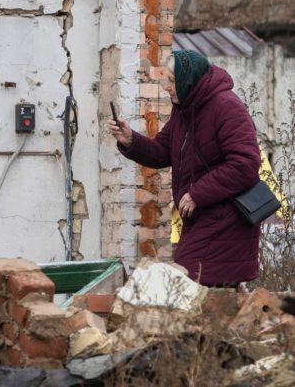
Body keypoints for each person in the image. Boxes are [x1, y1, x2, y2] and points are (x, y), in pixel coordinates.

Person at [109, 50, 261, 287]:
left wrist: (197, 194)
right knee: (200, 289)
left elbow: (246, 163)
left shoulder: (226, 106)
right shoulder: (184, 109)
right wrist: (130, 140)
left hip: (228, 218)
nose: (166, 87)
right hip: (203, 216)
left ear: (187, 81)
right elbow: (162, 150)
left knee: (187, 282)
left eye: (171, 81)